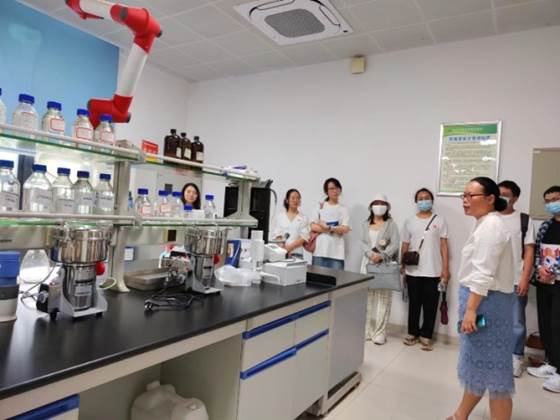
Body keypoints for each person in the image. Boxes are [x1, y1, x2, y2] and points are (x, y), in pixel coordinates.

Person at [447, 177, 514, 420]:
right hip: (480, 301)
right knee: (477, 365)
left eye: (471, 196)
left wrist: (471, 310)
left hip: (487, 304)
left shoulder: (491, 227)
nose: (465, 200)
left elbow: (483, 273)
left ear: (490, 198)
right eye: (463, 195)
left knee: (496, 377)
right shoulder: (483, 223)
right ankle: (460, 415)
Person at [401, 188, 449, 351]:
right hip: (413, 270)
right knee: (414, 304)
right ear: (416, 202)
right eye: (420, 199)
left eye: (426, 198)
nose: (423, 201)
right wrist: (402, 264)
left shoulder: (440, 220)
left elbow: (444, 245)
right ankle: (412, 333)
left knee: (430, 305)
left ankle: (426, 335)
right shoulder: (409, 221)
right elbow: (405, 244)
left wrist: (445, 269)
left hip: (434, 270)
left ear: (432, 201)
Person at [497, 180, 535, 378]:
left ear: (515, 198)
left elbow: (529, 251)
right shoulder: (489, 217)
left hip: (514, 279)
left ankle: (516, 358)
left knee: (516, 323)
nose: (501, 197)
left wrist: (525, 278)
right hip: (491, 281)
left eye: (506, 194)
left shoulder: (524, 220)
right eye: (498, 193)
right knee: (487, 319)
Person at [527, 185, 560, 393]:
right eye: (547, 201)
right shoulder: (546, 226)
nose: (551, 204)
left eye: (555, 199)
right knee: (546, 323)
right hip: (544, 282)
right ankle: (552, 363)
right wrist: (540, 268)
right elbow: (538, 252)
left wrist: (555, 271)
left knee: (558, 325)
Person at [360, 194, 400, 345]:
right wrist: (371, 254)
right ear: (371, 206)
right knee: (367, 296)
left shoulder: (391, 224)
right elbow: (362, 242)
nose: (379, 205)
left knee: (383, 296)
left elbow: (395, 244)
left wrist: (382, 255)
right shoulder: (365, 224)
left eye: (382, 203)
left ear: (387, 207)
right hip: (367, 263)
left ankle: (380, 331)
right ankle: (367, 330)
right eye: (376, 203)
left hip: (384, 264)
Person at [310, 178, 350, 270]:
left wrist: (327, 227)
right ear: (326, 191)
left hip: (337, 254)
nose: (335, 191)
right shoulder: (320, 206)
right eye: (331, 188)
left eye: (337, 188)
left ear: (340, 190)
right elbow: (313, 226)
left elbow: (344, 229)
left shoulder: (343, 209)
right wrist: (335, 228)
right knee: (317, 279)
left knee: (337, 279)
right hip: (319, 252)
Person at [269, 189, 310, 258]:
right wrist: (283, 248)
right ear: (287, 200)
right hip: (281, 253)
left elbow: (304, 237)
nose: (295, 200)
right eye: (293, 198)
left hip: (297, 253)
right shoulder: (280, 217)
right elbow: (277, 234)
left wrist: (289, 248)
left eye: (298, 198)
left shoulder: (304, 218)